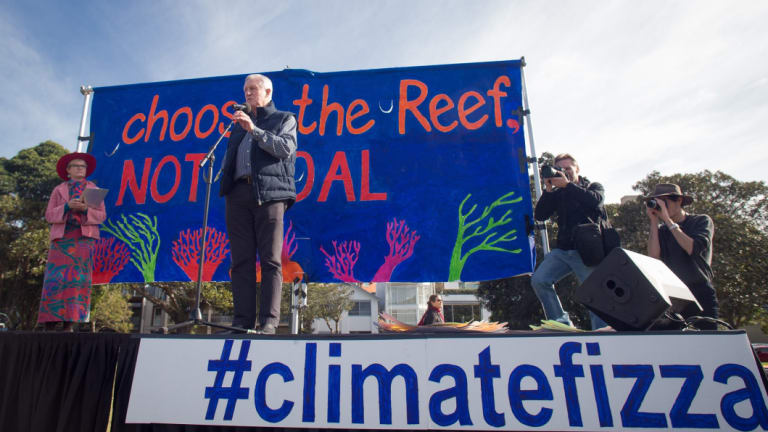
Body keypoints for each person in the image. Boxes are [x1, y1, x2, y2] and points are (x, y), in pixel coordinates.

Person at [220, 74, 297, 334]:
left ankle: (269, 322)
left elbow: (285, 148)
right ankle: (242, 322)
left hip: (270, 195)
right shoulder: (237, 125)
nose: (248, 93)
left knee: (270, 260)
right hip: (238, 195)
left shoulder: (284, 119)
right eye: (245, 89)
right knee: (240, 261)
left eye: (253, 89)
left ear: (268, 92)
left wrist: (254, 130)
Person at [530, 153, 609, 330]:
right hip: (564, 250)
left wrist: (568, 185)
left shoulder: (592, 186)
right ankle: (560, 324)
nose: (564, 172)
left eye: (568, 169)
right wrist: (549, 191)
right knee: (539, 280)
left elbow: (595, 202)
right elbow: (540, 215)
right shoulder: (558, 193)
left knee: (593, 293)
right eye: (560, 169)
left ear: (577, 169)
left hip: (587, 251)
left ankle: (602, 331)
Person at [38, 152, 107, 331]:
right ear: (68, 171)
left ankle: (71, 322)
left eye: (83, 166)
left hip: (83, 240)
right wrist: (67, 206)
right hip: (62, 239)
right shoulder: (59, 189)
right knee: (56, 279)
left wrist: (85, 209)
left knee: (77, 280)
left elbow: (101, 216)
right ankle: (50, 323)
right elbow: (49, 215)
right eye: (76, 166)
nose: (80, 169)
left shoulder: (93, 190)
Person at [645, 183, 718, 330]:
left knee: (707, 341)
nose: (662, 207)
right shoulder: (662, 230)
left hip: (699, 290)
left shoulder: (701, 221)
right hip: (674, 294)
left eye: (665, 202)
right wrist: (654, 222)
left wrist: (668, 220)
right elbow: (654, 258)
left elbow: (692, 248)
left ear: (679, 200)